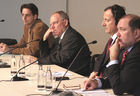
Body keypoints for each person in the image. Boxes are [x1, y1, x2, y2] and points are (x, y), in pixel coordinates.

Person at [84, 14, 140, 96]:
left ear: (136, 33)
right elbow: (118, 78)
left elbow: (118, 88)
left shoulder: (137, 53)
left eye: (122, 29)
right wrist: (97, 83)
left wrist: (113, 58)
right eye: (118, 29)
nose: (118, 34)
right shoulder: (126, 49)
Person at [31, 11, 91, 76]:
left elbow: (60, 59)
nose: (51, 28)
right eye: (51, 25)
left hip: (77, 75)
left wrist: (38, 60)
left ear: (65, 23)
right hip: (65, 72)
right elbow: (47, 56)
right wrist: (45, 38)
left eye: (55, 23)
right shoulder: (59, 38)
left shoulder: (72, 37)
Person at [88, 4, 126, 80]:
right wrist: (96, 72)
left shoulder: (122, 41)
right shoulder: (111, 40)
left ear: (118, 22)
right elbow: (100, 59)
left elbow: (117, 66)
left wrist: (101, 79)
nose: (103, 24)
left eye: (107, 20)